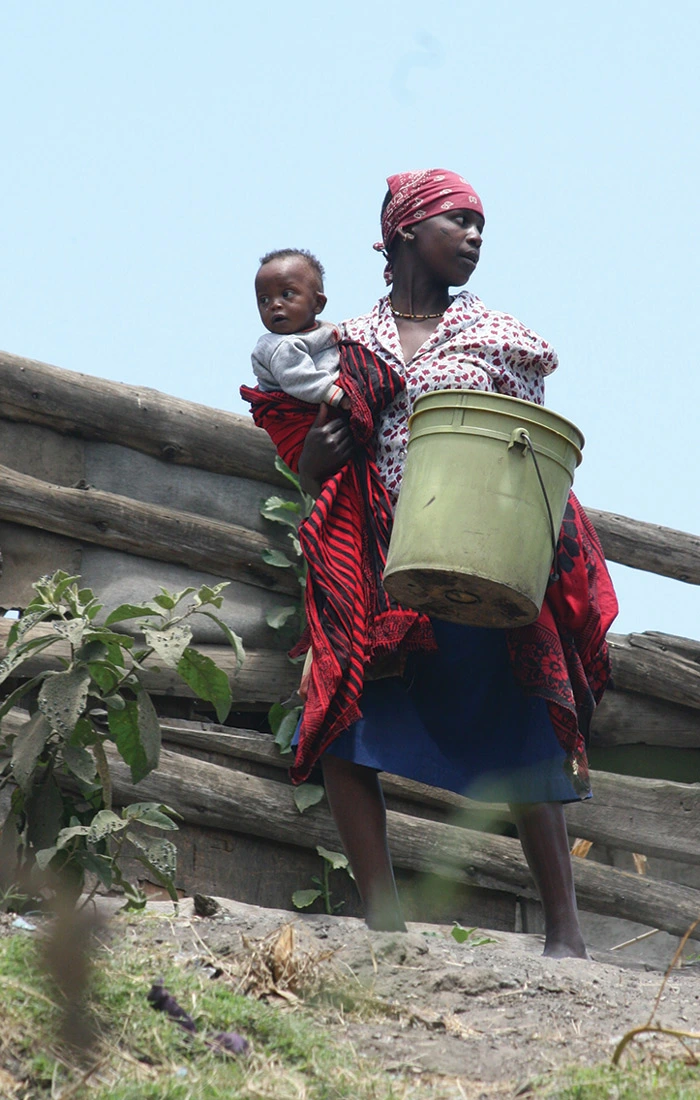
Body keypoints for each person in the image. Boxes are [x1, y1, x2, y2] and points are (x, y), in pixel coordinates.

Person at [290, 169, 618, 958]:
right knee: (344, 717)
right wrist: (312, 460)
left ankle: (566, 935)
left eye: (480, 226)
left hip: (479, 551)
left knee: (525, 716)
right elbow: (307, 464)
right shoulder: (342, 346)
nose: (473, 237)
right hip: (382, 555)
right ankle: (384, 924)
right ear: (405, 230)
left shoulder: (499, 336)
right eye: (457, 221)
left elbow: (532, 445)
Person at [251, 248, 350, 410]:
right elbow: (297, 377)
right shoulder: (275, 345)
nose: (274, 304)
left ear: (317, 303)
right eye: (264, 299)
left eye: (287, 294)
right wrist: (337, 396)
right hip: (294, 411)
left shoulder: (325, 329)